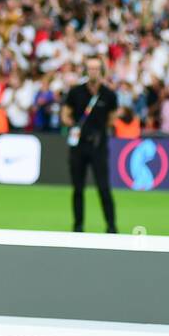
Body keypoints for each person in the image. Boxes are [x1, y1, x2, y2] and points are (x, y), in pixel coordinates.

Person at [60, 56, 118, 233]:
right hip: (78, 146)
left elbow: (112, 119)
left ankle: (111, 226)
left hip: (99, 145)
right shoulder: (76, 92)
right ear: (86, 70)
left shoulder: (109, 95)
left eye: (96, 68)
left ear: (101, 71)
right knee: (78, 188)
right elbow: (65, 114)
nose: (93, 71)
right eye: (90, 68)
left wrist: (97, 131)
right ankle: (78, 226)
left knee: (104, 187)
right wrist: (74, 125)